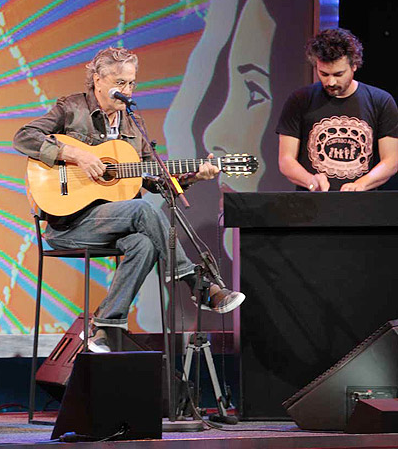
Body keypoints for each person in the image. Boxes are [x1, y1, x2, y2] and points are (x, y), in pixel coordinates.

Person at [13, 47, 245, 353]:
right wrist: (76, 154)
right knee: (140, 210)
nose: (126, 91)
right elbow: (24, 137)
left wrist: (194, 176)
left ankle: (104, 327)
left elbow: (157, 180)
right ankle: (196, 283)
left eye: (131, 84)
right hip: (68, 225)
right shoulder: (72, 108)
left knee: (143, 243)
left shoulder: (131, 126)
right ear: (97, 79)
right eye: (119, 83)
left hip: (112, 223)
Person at [277, 28, 398, 191]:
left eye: (339, 74)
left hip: (363, 206)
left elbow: (391, 160)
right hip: (311, 207)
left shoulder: (380, 101)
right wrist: (311, 181)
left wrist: (362, 184)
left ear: (354, 65)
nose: (331, 82)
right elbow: (286, 159)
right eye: (324, 74)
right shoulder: (300, 100)